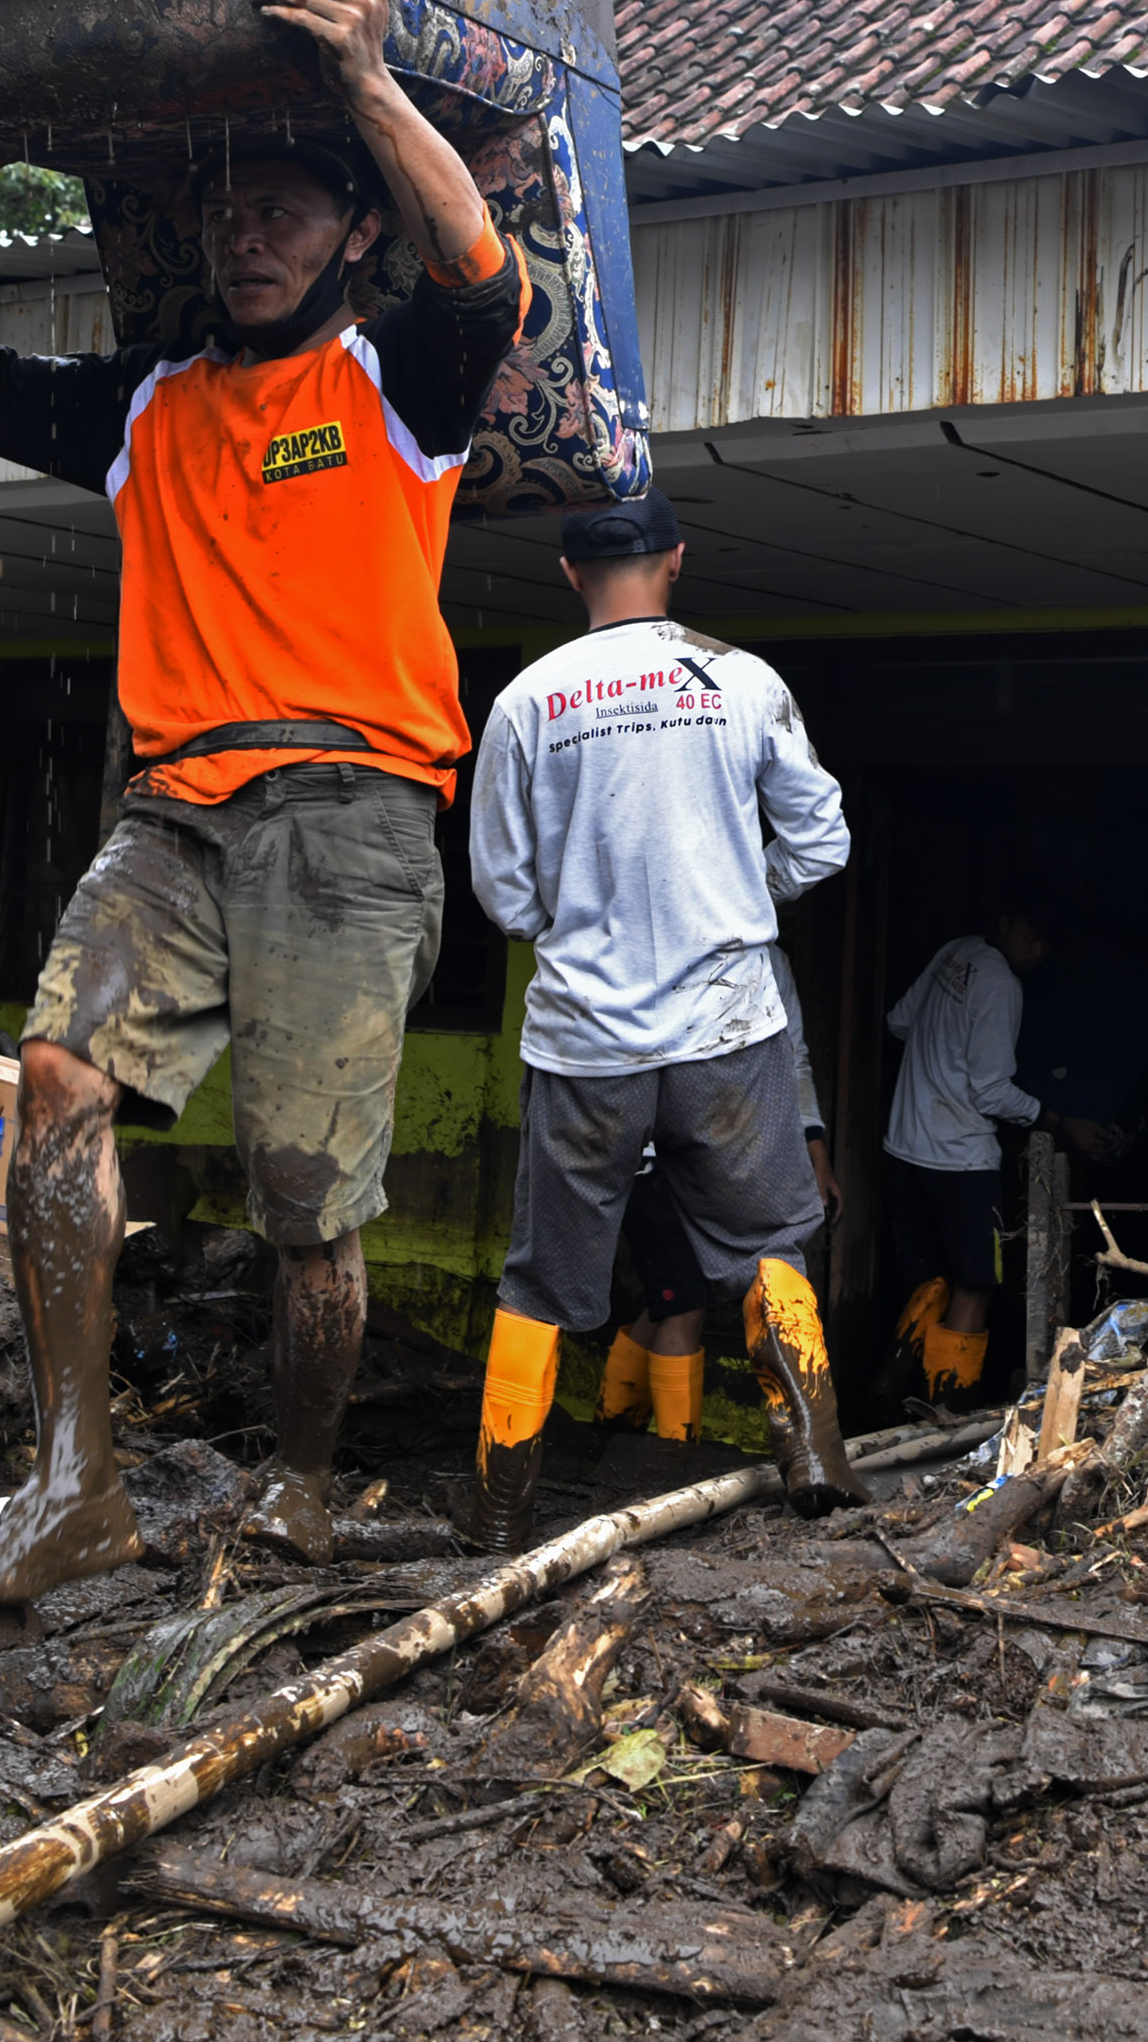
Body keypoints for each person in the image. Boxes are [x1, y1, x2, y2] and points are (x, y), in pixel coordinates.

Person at [0, 0, 525, 1601]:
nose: (251, 238)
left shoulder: (396, 381)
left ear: (352, 234)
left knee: (307, 1205)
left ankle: (306, 1486)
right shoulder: (146, 404)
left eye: (291, 214)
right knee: (54, 1076)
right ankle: (73, 1483)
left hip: (354, 812)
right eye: (236, 216)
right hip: (175, 806)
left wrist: (370, 79)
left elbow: (481, 279)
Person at [463, 492, 858, 1550]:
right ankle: (815, 1459)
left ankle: (500, 1510)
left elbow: (502, 895)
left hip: (586, 1037)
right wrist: (732, 893)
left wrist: (587, 920)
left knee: (542, 1274)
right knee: (772, 1239)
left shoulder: (526, 702)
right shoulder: (740, 680)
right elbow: (822, 844)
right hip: (729, 1027)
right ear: (676, 559)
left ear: (565, 573)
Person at [881, 894, 1115, 1403]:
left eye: (1044, 944)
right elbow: (990, 1091)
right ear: (1004, 925)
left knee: (927, 1283)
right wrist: (1059, 1122)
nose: (1036, 952)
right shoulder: (1001, 986)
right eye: (1028, 938)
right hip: (961, 1159)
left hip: (905, 1146)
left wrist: (937, 1054)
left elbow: (900, 1021)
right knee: (976, 1284)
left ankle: (898, 1396)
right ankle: (947, 1406)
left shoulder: (955, 952)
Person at [598, 946, 835, 1441]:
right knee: (683, 1303)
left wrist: (813, 1144)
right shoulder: (666, 938)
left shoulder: (771, 958)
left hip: (724, 1160)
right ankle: (672, 1456)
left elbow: (793, 1056)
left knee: (678, 1294)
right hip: (653, 1150)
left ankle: (614, 1423)